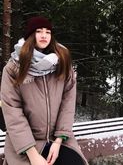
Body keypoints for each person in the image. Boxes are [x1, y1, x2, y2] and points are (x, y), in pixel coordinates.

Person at [1, 16, 88, 165]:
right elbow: (13, 111)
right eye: (39, 31)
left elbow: (67, 105)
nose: (43, 35)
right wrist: (33, 155)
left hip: (57, 138)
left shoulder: (62, 62)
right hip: (26, 143)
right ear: (30, 36)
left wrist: (59, 140)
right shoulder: (14, 67)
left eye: (48, 32)